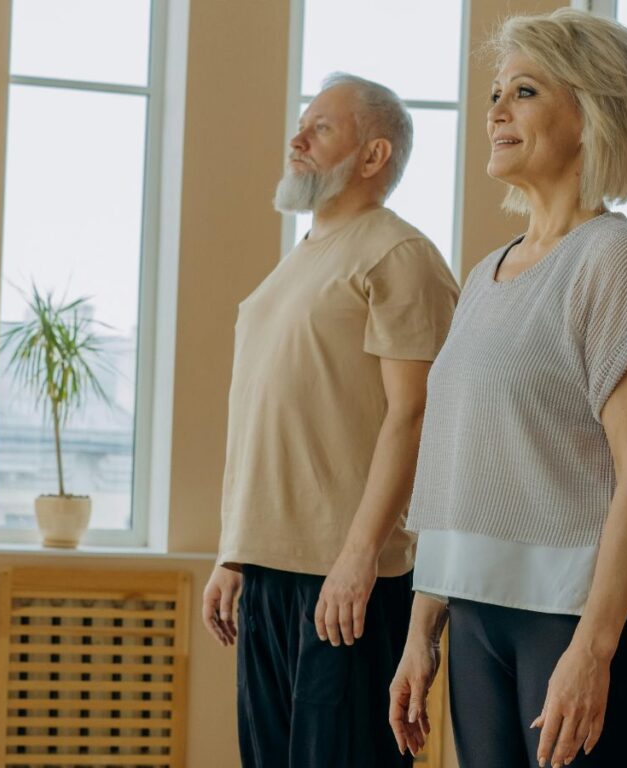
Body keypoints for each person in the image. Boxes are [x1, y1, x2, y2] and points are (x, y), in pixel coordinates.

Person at [389, 9, 627, 768]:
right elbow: (460, 468)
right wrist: (422, 630)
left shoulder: (615, 259)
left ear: (593, 113)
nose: (495, 111)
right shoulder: (488, 274)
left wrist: (593, 649)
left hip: (573, 623)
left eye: (523, 91)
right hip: (478, 616)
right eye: (495, 92)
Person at [201, 72, 459, 768]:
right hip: (269, 572)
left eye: (320, 128)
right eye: (301, 123)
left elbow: (415, 414)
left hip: (346, 579)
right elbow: (265, 413)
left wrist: (359, 556)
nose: (297, 138)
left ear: (372, 157)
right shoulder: (298, 264)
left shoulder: (399, 255)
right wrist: (235, 552)